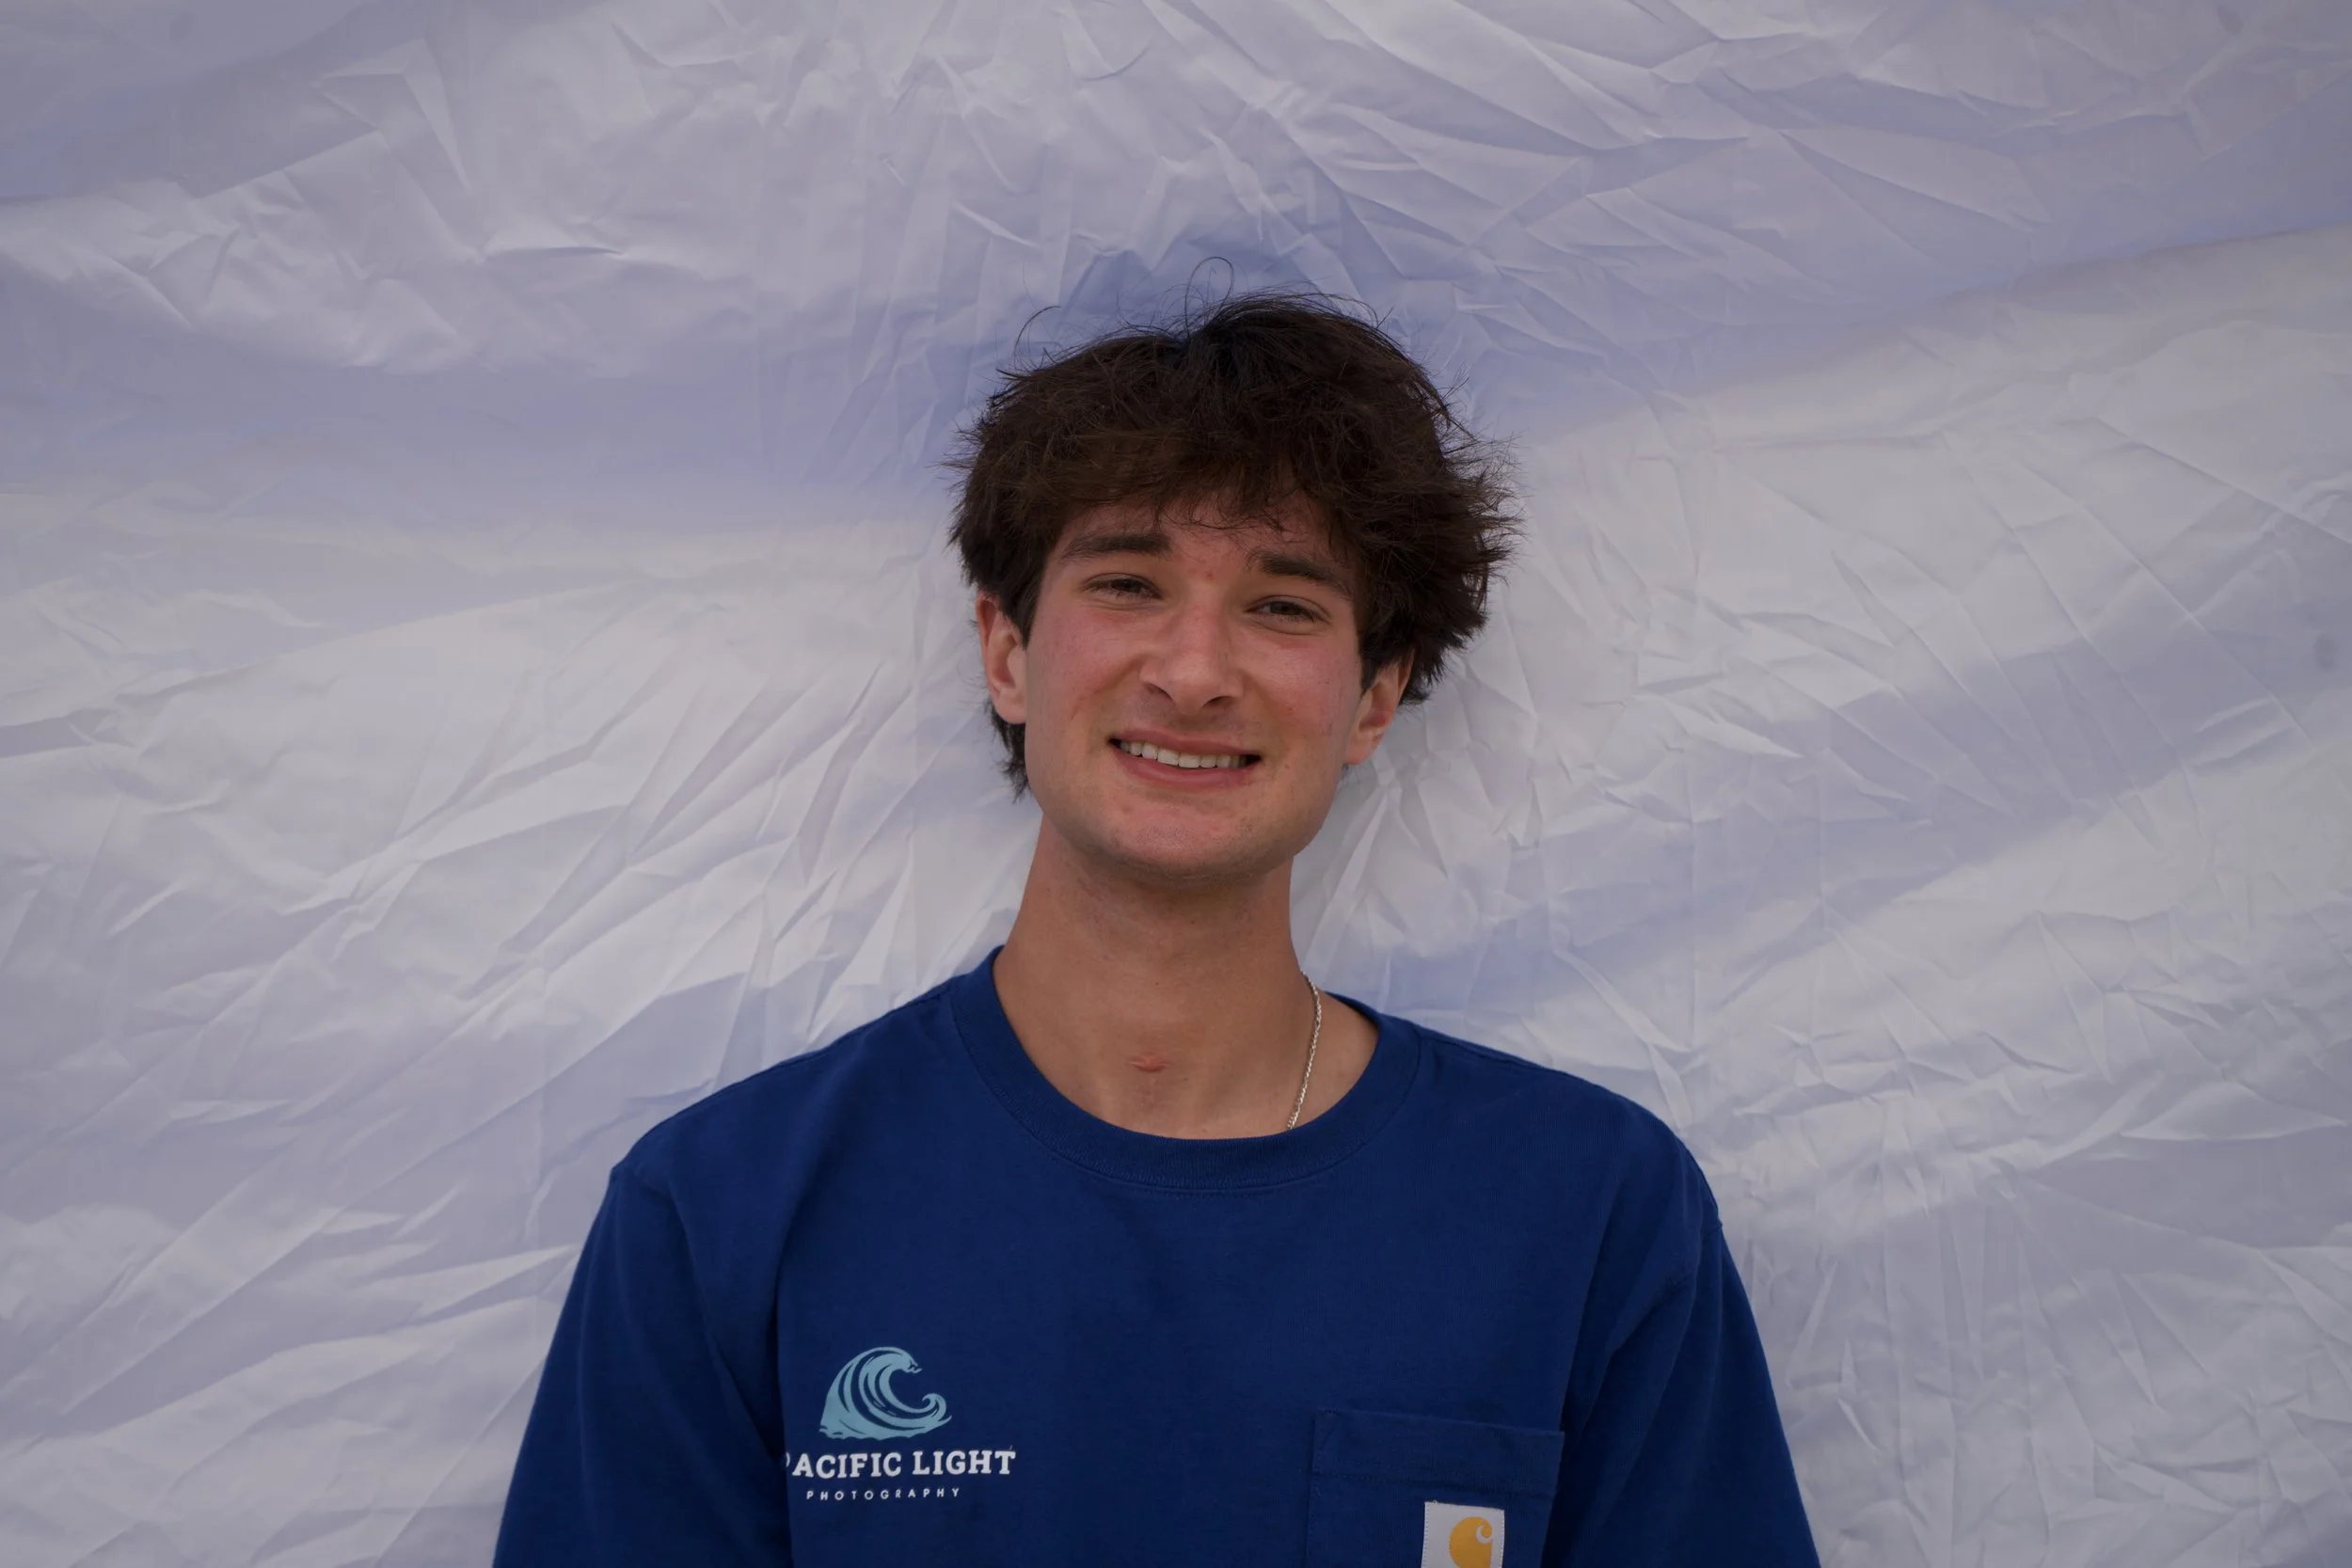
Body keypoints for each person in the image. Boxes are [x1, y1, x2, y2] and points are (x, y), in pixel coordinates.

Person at [492, 294, 1820, 1567]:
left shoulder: (1589, 1213)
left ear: (1374, 699)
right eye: (1129, 583)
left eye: (1284, 604)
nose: (1193, 671)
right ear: (1007, 653)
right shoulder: (726, 1213)